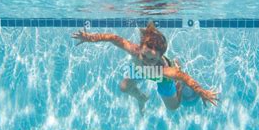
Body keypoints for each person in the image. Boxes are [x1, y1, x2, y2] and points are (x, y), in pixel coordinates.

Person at [72, 21, 218, 113]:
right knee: (124, 87)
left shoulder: (165, 71)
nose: (147, 61)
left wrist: (201, 92)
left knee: (172, 107)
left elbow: (185, 77)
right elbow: (112, 38)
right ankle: (141, 98)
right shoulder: (134, 51)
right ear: (140, 48)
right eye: (144, 56)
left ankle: (177, 86)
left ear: (160, 57)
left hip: (162, 79)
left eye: (152, 59)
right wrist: (90, 38)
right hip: (140, 71)